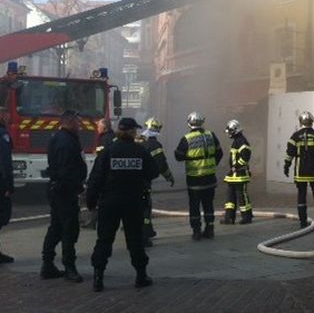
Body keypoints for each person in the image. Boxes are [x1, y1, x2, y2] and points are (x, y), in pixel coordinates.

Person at [86, 118, 159, 292]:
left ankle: (98, 277)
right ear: (132, 132)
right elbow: (153, 171)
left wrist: (91, 200)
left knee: (104, 239)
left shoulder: (108, 151)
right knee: (135, 239)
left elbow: (95, 178)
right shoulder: (139, 151)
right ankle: (141, 275)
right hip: (133, 201)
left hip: (109, 202)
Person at [41, 110, 88, 282]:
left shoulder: (65, 138)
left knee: (56, 227)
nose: (80, 124)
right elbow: (66, 170)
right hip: (64, 192)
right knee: (69, 229)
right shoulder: (65, 142)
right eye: (78, 121)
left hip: (60, 190)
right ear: (69, 121)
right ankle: (69, 267)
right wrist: (77, 187)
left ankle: (48, 265)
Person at [174, 112, 223, 240]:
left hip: (194, 179)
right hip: (210, 178)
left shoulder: (187, 138)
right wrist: (212, 164)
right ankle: (210, 229)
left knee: (194, 205)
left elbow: (178, 156)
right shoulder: (211, 135)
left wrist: (189, 158)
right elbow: (220, 153)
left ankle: (196, 231)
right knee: (208, 204)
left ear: (189, 123)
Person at [284, 111, 314, 228]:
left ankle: (302, 222)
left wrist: (286, 166)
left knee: (301, 195)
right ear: (312, 121)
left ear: (300, 121)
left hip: (300, 172)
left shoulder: (295, 136)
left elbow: (289, 154)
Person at [137, 117, 175, 247]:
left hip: (131, 180)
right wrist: (169, 177)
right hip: (144, 181)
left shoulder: (137, 140)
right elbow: (161, 164)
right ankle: (145, 235)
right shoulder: (155, 145)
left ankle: (148, 231)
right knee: (146, 208)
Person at [81, 118, 114, 230]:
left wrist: (94, 177)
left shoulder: (104, 139)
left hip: (102, 171)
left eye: (99, 127)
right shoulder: (112, 137)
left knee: (94, 194)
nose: (97, 129)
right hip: (109, 172)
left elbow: (101, 157)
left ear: (104, 128)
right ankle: (94, 221)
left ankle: (94, 221)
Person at [220, 119, 253, 225]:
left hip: (240, 174)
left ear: (235, 130)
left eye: (230, 131)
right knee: (230, 197)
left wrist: (236, 166)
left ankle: (247, 217)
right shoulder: (236, 141)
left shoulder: (242, 141)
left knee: (242, 196)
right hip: (233, 175)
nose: (229, 133)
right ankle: (229, 218)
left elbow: (245, 156)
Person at [0, 113, 14, 264]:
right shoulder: (3, 135)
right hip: (1, 181)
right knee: (2, 215)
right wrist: (9, 184)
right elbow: (5, 161)